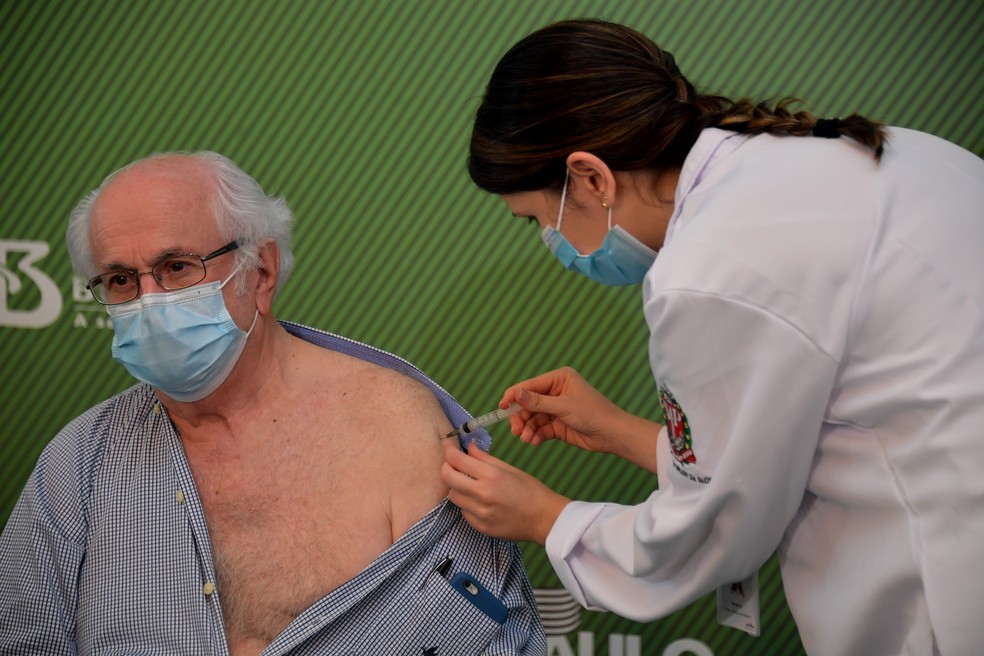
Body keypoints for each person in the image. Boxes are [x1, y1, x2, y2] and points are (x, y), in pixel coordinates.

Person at [441, 18, 984, 656]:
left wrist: (546, 518)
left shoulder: (707, 274)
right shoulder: (867, 151)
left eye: (539, 217)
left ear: (590, 177)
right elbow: (789, 448)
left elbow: (715, 529)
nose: (554, 244)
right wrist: (616, 429)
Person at [0, 151, 546, 655]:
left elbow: (493, 639)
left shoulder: (399, 427)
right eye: (121, 280)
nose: (150, 301)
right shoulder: (81, 463)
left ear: (259, 271)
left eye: (177, 267)